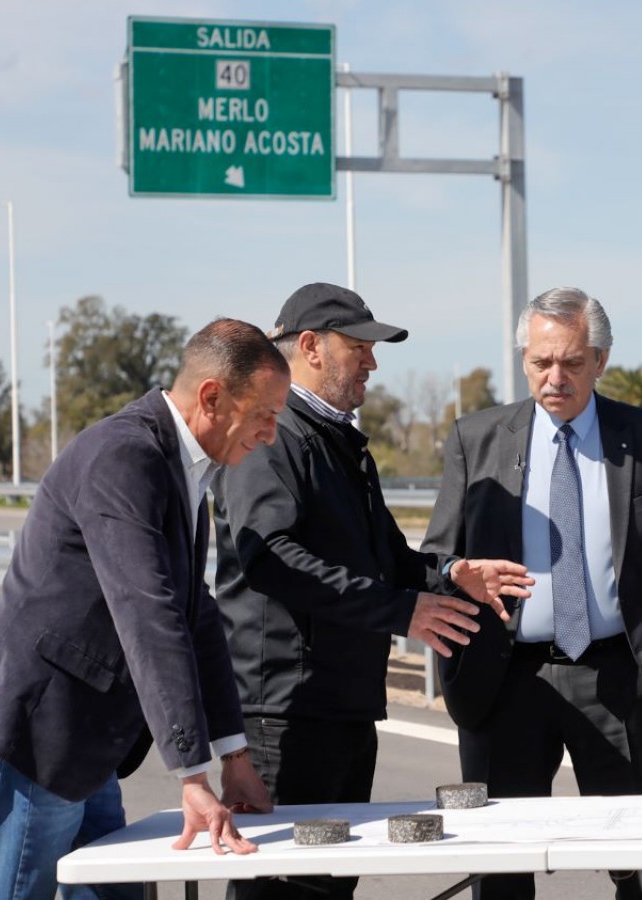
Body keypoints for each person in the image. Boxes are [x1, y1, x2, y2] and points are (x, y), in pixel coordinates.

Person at [0, 318, 289, 900]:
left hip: (86, 734)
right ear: (212, 398)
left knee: (116, 892)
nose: (271, 434)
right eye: (265, 414)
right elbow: (148, 616)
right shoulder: (123, 456)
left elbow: (195, 615)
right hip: (39, 731)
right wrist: (192, 776)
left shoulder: (187, 467)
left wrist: (233, 755)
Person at [213, 283, 531, 900]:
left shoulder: (336, 441)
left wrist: (450, 575)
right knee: (283, 891)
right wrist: (400, 613)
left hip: (340, 707)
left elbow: (386, 559)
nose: (372, 363)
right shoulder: (272, 438)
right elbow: (271, 559)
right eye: (359, 347)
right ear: (309, 346)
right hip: (285, 716)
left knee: (327, 888)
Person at [423, 287, 642, 900]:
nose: (555, 378)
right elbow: (436, 558)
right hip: (505, 679)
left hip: (618, 678)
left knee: (639, 862)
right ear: (524, 359)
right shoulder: (476, 438)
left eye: (573, 363)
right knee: (500, 866)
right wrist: (459, 574)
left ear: (600, 360)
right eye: (540, 363)